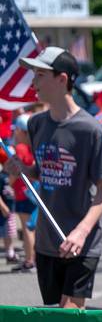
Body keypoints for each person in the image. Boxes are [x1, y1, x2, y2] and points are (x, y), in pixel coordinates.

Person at [9, 47, 102, 308]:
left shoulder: (89, 129)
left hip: (81, 239)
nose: (33, 83)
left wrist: (81, 231)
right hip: (47, 238)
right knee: (53, 311)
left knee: (70, 311)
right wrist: (22, 169)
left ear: (62, 79)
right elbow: (43, 173)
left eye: (40, 75)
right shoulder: (36, 124)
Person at [9, 114, 37, 273]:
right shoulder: (34, 145)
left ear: (21, 130)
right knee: (34, 226)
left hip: (22, 192)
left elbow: (15, 170)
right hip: (34, 191)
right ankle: (35, 258)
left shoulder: (20, 148)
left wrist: (10, 182)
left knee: (27, 228)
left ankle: (29, 260)